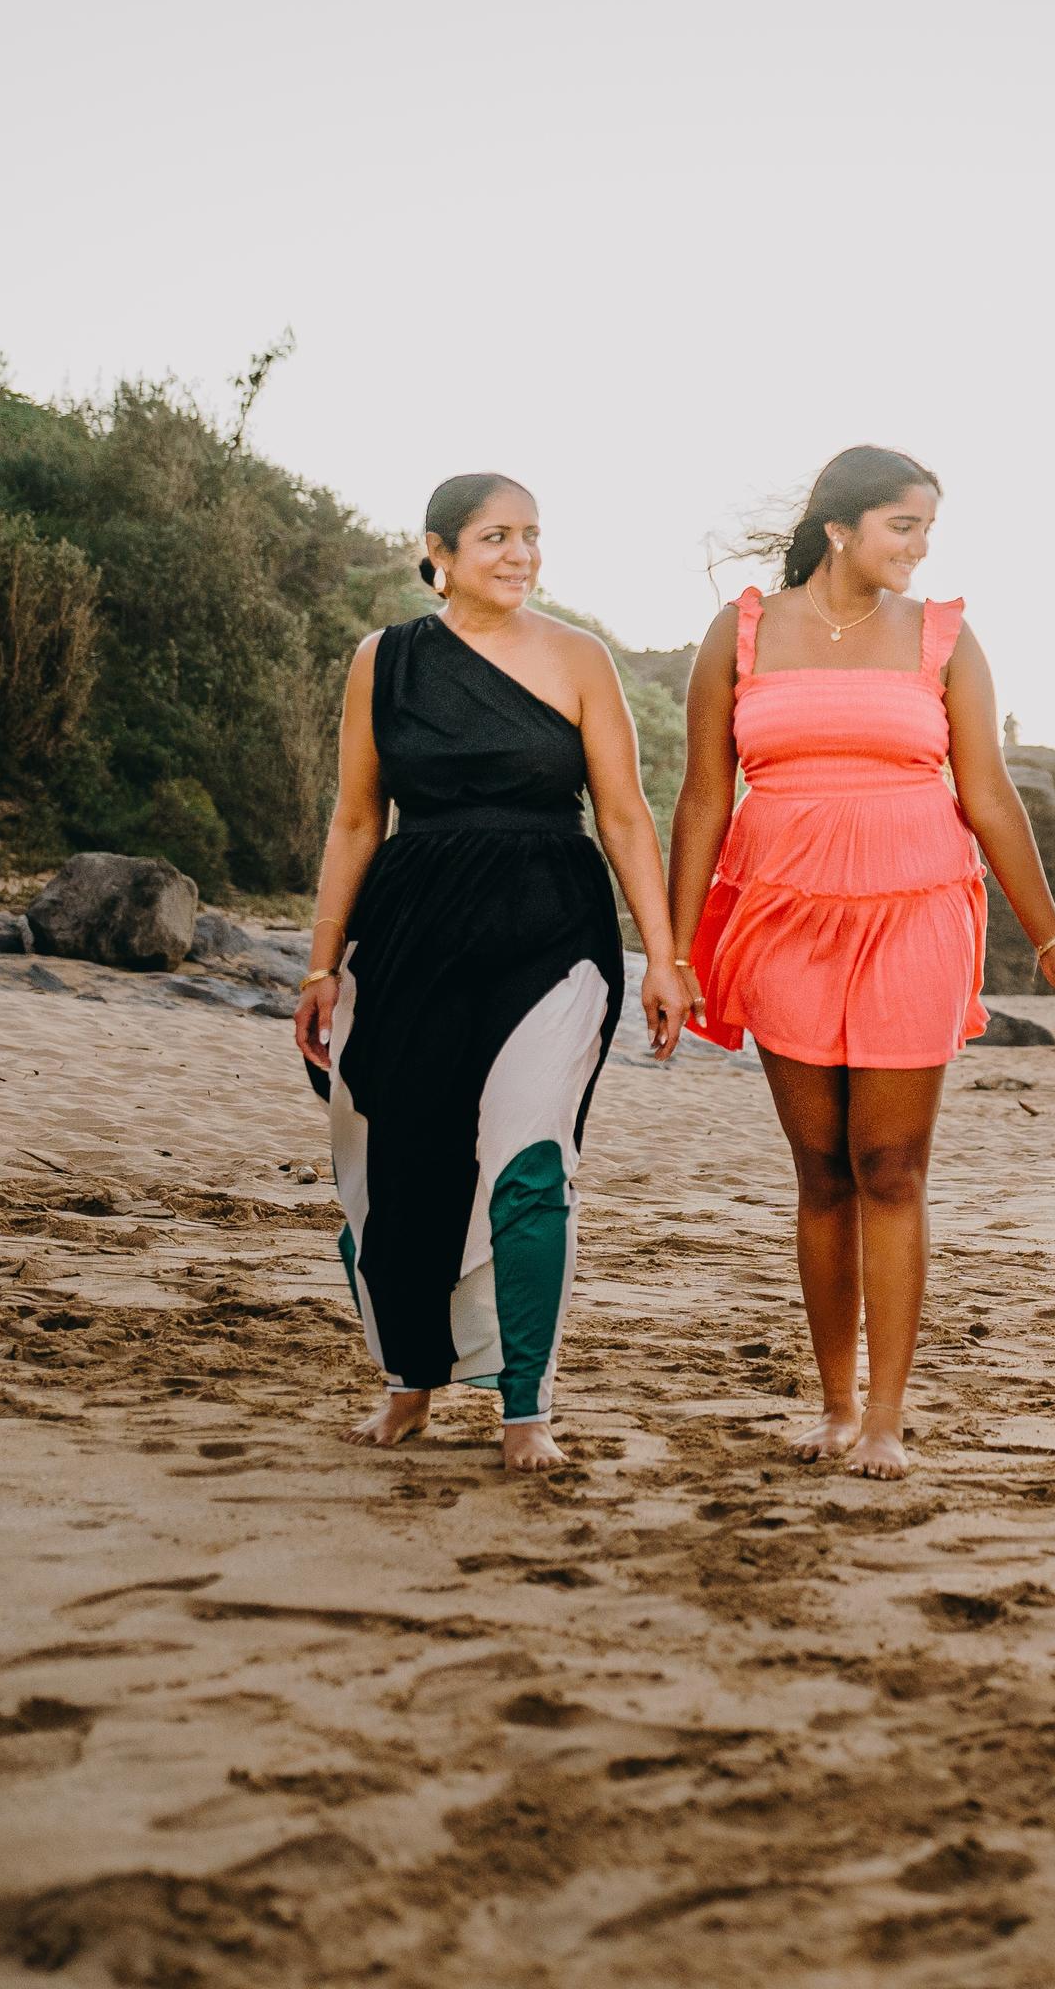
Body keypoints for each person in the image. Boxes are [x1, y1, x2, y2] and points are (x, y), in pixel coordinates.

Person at [668, 445, 1055, 1481]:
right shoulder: (744, 631)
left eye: (927, 530)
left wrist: (1052, 943)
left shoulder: (944, 637)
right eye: (904, 525)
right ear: (841, 529)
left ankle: (890, 1418)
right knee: (821, 1172)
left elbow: (989, 796)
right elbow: (700, 798)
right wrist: (673, 953)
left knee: (890, 1167)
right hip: (780, 916)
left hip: (913, 913)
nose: (918, 546)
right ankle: (835, 1403)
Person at [294, 473, 686, 1473]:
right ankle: (409, 1386)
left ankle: (527, 1408)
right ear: (440, 550)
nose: (520, 554)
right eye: (496, 537)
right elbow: (353, 819)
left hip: (552, 928)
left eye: (532, 536)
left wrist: (664, 957)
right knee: (403, 1165)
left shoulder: (581, 659)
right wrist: (320, 966)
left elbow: (628, 818)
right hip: (413, 927)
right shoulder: (381, 660)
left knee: (527, 1158)